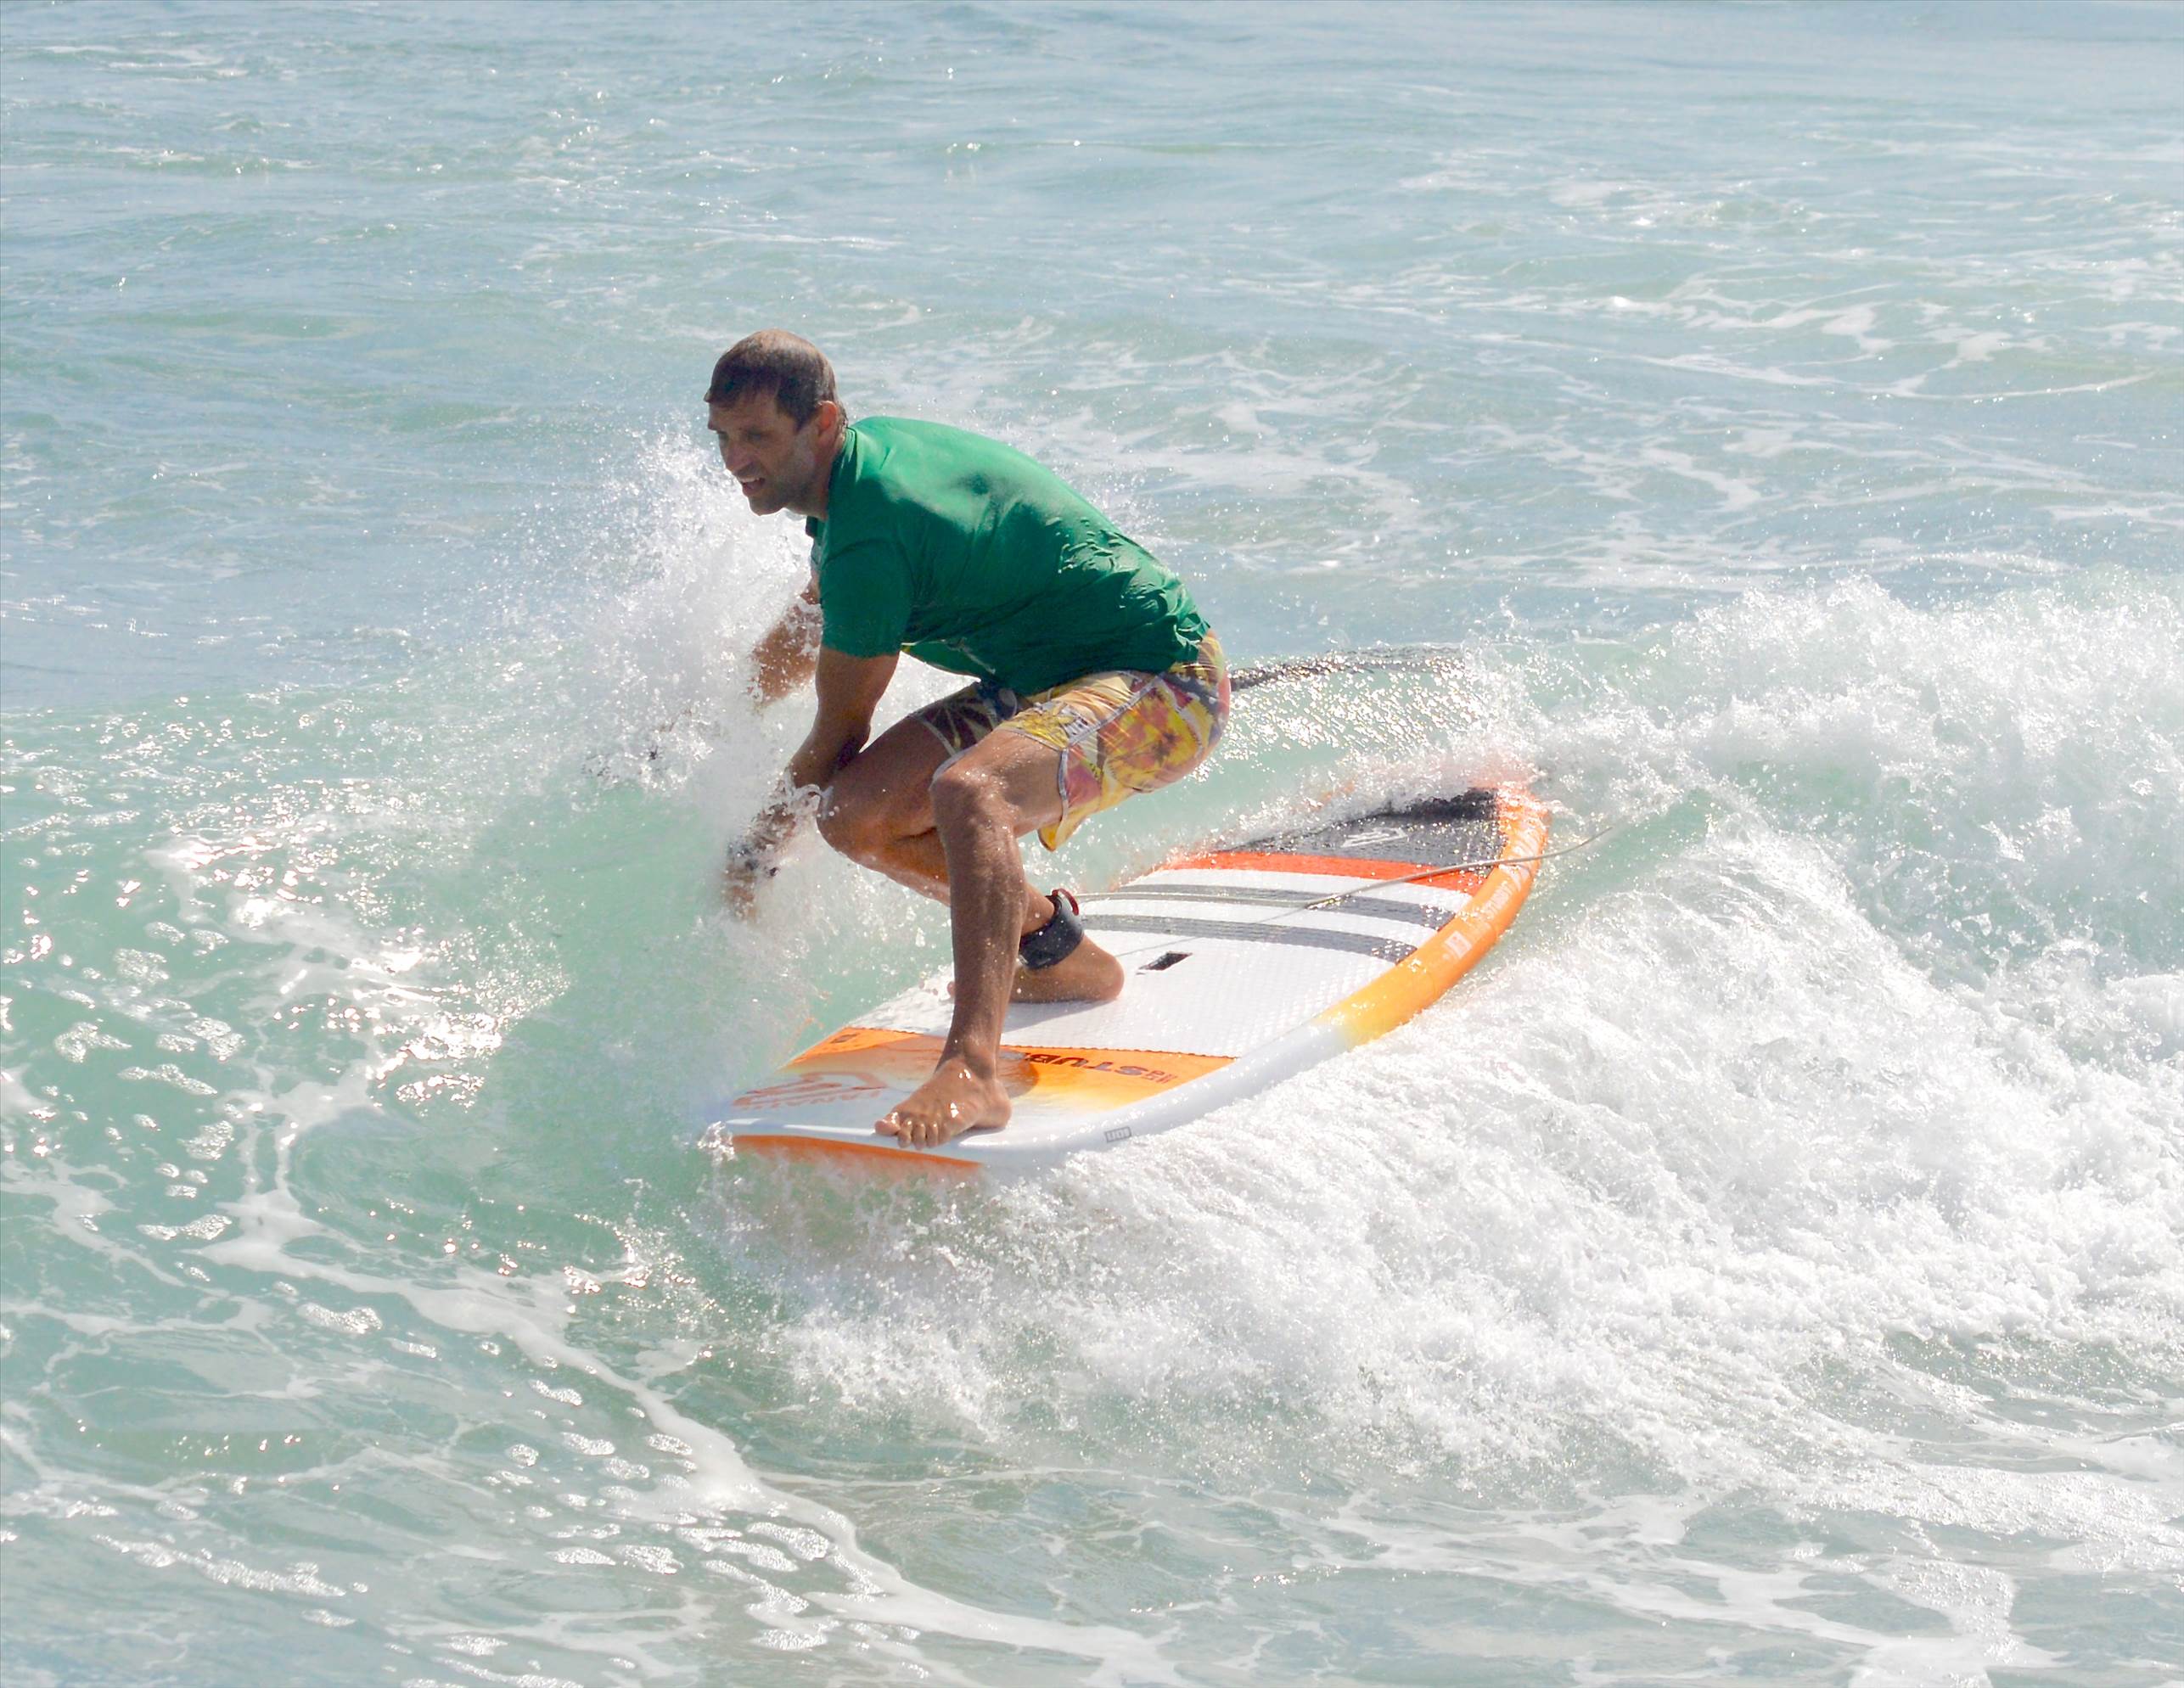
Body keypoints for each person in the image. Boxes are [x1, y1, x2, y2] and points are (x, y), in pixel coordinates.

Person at [710, 330, 1227, 1150]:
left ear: (823, 423)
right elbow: (813, 617)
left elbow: (837, 732)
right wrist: (707, 716)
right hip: (1040, 677)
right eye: (723, 436)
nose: (735, 459)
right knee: (853, 815)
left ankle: (973, 1071)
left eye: (756, 437)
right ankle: (1059, 954)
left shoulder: (872, 529)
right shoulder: (854, 483)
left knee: (968, 792)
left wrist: (749, 861)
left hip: (1163, 680)